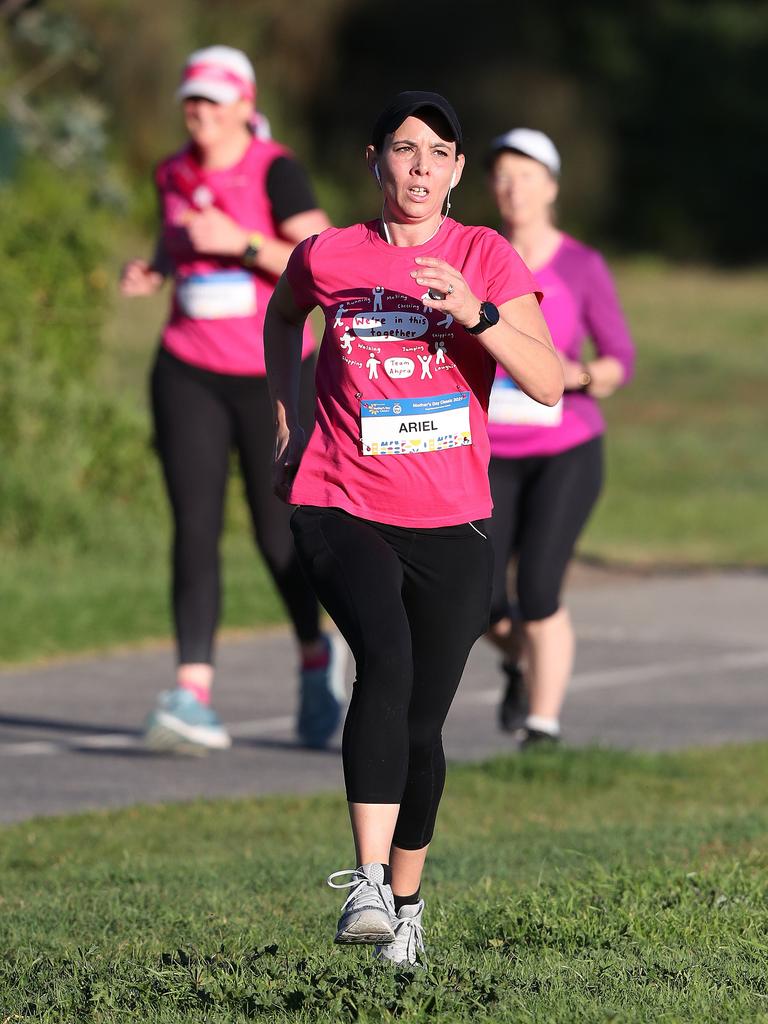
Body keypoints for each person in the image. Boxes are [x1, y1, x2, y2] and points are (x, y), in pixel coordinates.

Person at [264, 93, 563, 965]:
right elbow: (284, 316)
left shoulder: (485, 255)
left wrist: (476, 311)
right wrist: (283, 420)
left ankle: (407, 899)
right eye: (403, 149)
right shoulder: (329, 255)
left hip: (453, 519)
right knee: (383, 660)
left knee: (423, 725)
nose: (421, 166)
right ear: (374, 161)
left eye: (438, 152)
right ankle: (363, 883)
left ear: (459, 171)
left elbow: (546, 381)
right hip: (339, 499)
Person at [119, 46, 345, 753]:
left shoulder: (277, 169)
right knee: (194, 526)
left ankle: (315, 658)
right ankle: (193, 692)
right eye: (192, 99)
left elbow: (324, 260)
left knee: (277, 534)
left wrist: (243, 244)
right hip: (186, 368)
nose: (199, 112)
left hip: (271, 375)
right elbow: (175, 230)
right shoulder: (173, 170)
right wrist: (155, 267)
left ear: (245, 105)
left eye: (214, 101)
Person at [483, 128, 636, 746]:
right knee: (482, 601)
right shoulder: (478, 256)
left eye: (526, 175)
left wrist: (578, 375)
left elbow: (619, 356)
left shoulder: (580, 265)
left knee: (541, 587)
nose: (512, 187)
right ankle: (518, 663)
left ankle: (542, 730)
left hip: (565, 448)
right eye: (502, 175)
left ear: (551, 186)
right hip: (487, 449)